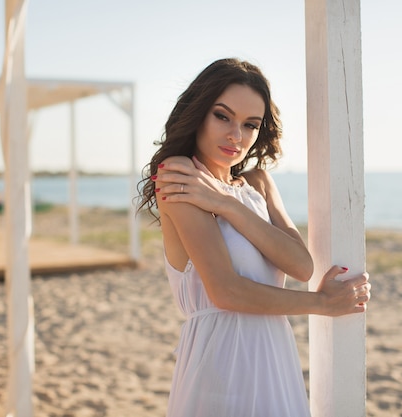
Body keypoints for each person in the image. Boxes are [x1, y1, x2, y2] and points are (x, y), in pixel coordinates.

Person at [138, 58, 371, 417]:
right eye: (222, 116)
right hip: (222, 364)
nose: (236, 136)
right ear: (198, 113)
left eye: (250, 125)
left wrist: (225, 203)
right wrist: (322, 305)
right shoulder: (179, 177)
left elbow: (301, 265)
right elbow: (225, 291)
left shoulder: (258, 183)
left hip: (274, 357)